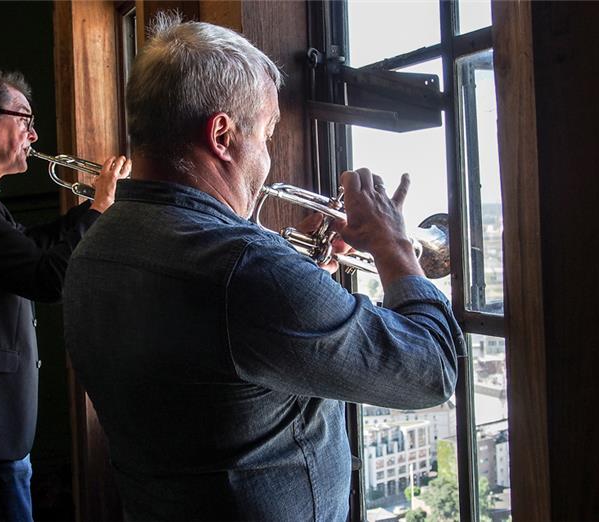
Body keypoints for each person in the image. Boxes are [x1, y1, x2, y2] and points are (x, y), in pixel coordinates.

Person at [63, 13, 464, 521]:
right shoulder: (245, 270)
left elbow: (216, 358)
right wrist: (395, 246)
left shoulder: (94, 247)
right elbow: (431, 370)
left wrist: (301, 278)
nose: (268, 158)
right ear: (223, 136)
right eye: (268, 133)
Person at [0, 69, 131, 521]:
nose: (34, 134)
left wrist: (93, 209)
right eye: (24, 119)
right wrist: (101, 209)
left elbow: (27, 246)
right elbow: (46, 278)